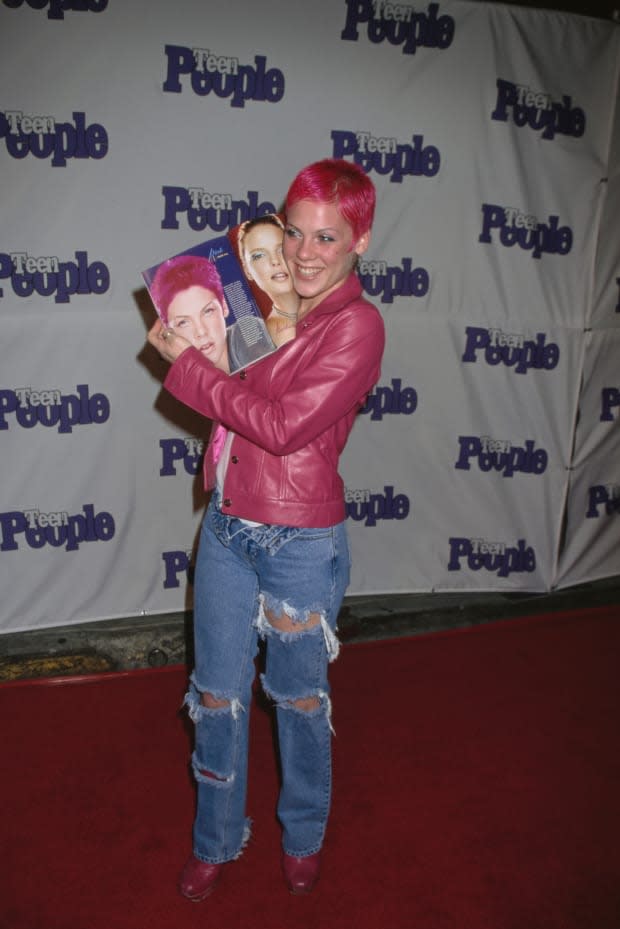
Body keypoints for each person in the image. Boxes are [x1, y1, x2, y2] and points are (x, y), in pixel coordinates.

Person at [148, 158, 385, 898]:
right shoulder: (254, 298)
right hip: (225, 528)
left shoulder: (358, 325)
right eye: (294, 233)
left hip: (298, 542)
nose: (305, 253)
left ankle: (304, 833)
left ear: (360, 242)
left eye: (327, 238)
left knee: (299, 701)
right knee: (215, 697)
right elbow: (232, 413)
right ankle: (215, 839)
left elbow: (280, 428)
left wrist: (186, 366)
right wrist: (204, 328)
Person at [150, 254, 274, 374]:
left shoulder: (247, 333)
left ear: (224, 307)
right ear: (169, 332)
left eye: (208, 311)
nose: (201, 332)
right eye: (183, 322)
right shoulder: (187, 381)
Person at [237, 213, 299, 347]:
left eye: (281, 249)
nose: (275, 261)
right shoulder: (263, 339)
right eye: (259, 255)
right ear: (248, 271)